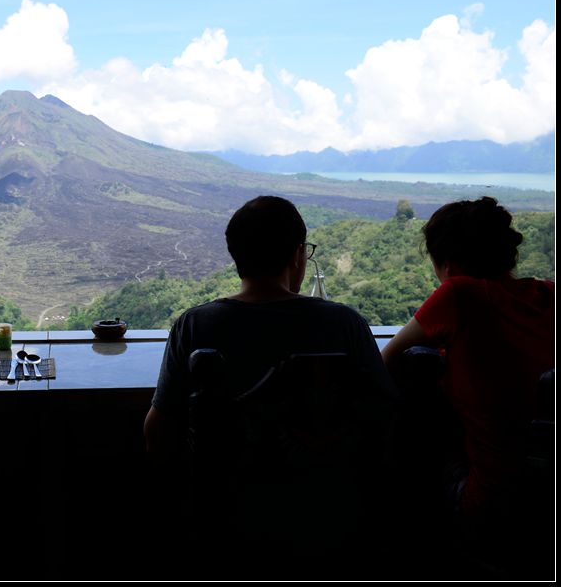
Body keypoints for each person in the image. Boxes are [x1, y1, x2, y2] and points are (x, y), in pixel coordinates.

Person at [144, 195, 395, 453]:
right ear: (298, 255)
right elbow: (386, 421)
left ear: (236, 255)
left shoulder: (194, 325)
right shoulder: (344, 323)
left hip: (224, 491)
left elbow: (157, 430)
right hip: (326, 490)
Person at [381, 197, 554, 558]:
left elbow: (386, 362)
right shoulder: (549, 295)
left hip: (490, 500)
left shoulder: (459, 293)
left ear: (446, 263)